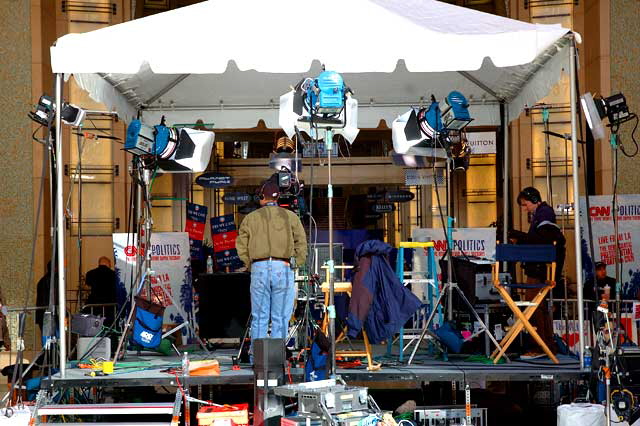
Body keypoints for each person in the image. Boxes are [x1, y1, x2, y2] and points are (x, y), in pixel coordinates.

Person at [236, 180, 307, 343]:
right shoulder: (291, 217)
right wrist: (296, 262)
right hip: (283, 267)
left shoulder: (250, 218)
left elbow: (241, 243)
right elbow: (301, 242)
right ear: (278, 198)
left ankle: (258, 359)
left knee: (259, 318)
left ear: (261, 197)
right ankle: (277, 359)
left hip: (259, 267)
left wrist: (249, 263)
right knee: (280, 318)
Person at [509, 187, 566, 359]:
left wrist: (520, 238)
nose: (525, 208)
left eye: (525, 204)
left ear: (534, 200)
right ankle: (546, 345)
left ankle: (541, 346)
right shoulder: (542, 215)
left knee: (533, 308)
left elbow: (542, 241)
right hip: (540, 269)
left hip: (539, 271)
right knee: (537, 308)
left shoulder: (544, 215)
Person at [85, 256, 117, 325]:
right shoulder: (114, 274)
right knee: (108, 324)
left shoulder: (90, 273)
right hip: (109, 304)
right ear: (108, 264)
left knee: (94, 324)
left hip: (94, 303)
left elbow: (87, 286)